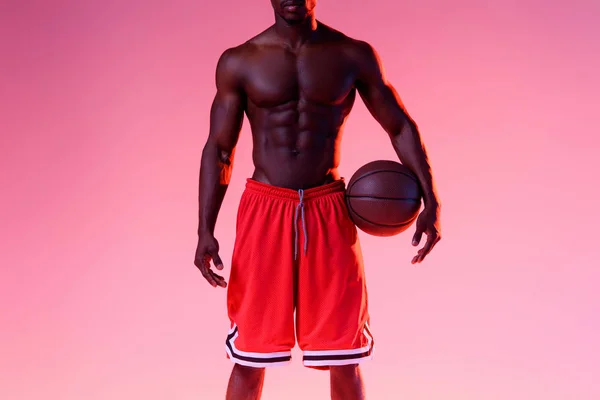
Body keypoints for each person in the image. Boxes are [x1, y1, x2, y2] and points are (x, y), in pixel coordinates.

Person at [194, 1, 441, 399]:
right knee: (250, 357)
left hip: (328, 208)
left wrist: (431, 197)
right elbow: (220, 148)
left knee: (345, 355)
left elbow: (398, 125)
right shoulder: (240, 61)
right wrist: (205, 229)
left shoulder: (351, 54)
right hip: (265, 209)